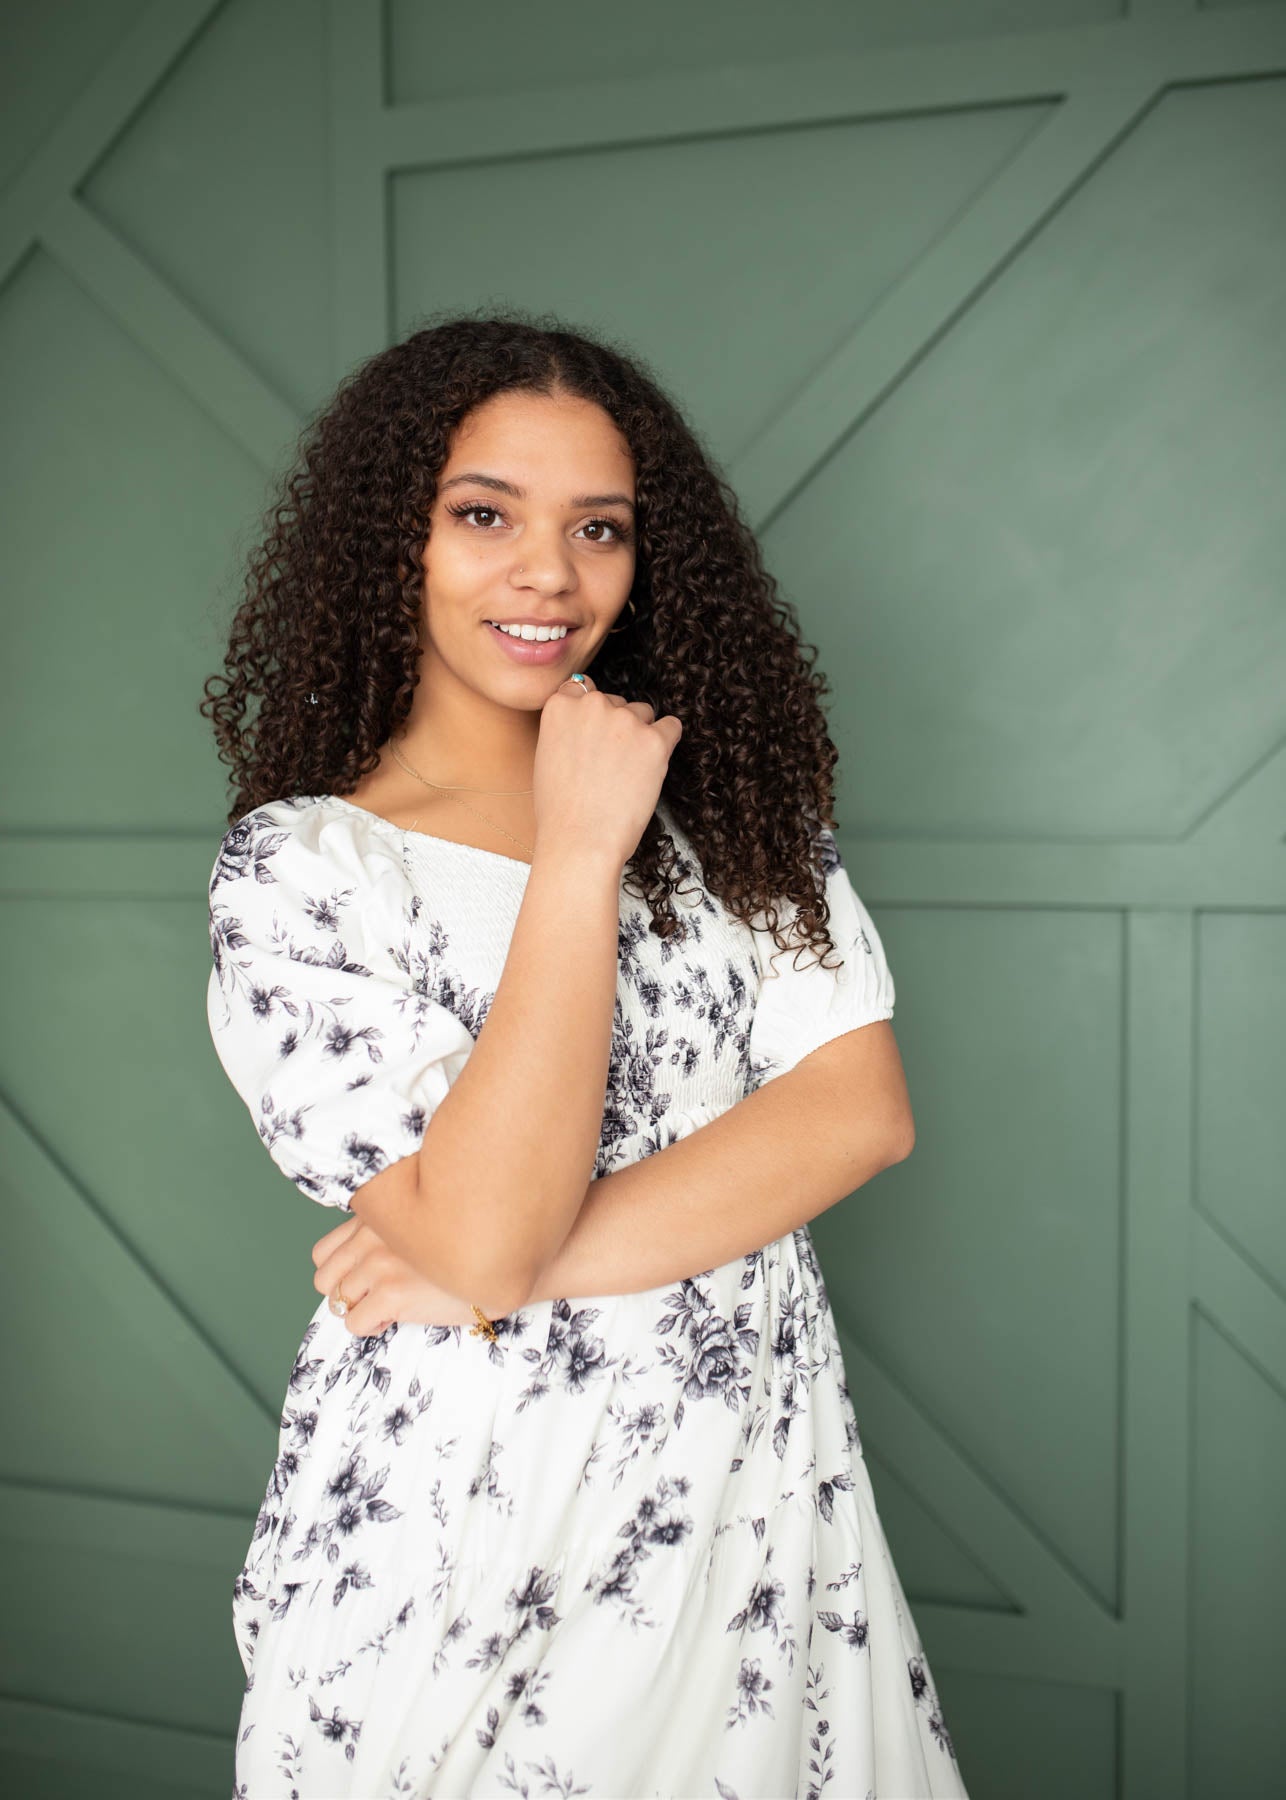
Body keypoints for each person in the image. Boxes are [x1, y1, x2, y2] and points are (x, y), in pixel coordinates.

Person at [201, 310, 969, 1799]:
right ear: (390, 541)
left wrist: (499, 1263)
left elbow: (853, 1116)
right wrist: (576, 853)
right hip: (459, 1497)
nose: (548, 574)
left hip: (738, 1476)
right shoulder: (300, 874)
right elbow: (483, 1230)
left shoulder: (735, 812)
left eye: (597, 528)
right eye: (482, 515)